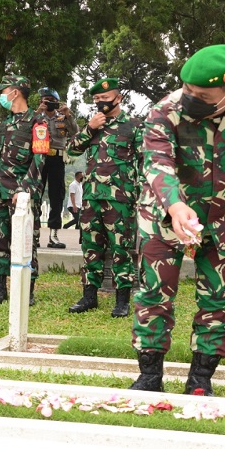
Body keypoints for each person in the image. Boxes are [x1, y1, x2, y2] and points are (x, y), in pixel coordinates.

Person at [128, 45, 225, 395]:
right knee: (154, 292)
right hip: (164, 217)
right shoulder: (164, 111)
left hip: (224, 219)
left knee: (217, 298)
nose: (191, 99)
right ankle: (150, 377)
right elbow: (157, 162)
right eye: (188, 90)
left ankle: (201, 380)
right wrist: (175, 205)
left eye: (203, 95)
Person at [67, 78, 143, 317]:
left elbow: (146, 161)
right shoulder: (93, 125)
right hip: (91, 197)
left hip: (120, 199)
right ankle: (89, 296)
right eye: (96, 99)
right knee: (91, 248)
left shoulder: (133, 125)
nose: (100, 103)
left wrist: (139, 192)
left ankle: (122, 301)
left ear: (118, 98)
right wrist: (89, 129)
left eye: (104, 98)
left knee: (121, 249)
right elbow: (71, 151)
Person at [0, 74, 41, 307]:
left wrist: (24, 188)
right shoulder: (6, 123)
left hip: (22, 194)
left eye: (4, 90)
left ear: (15, 92)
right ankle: (0, 288)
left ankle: (27, 290)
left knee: (26, 240)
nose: (2, 95)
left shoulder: (38, 122)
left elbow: (39, 159)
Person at [34, 87, 78, 249]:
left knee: (57, 197)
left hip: (57, 159)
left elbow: (75, 132)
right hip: (39, 159)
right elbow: (26, 130)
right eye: (45, 100)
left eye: (51, 101)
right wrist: (38, 113)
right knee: (35, 195)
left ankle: (54, 235)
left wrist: (68, 115)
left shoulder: (63, 117)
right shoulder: (36, 116)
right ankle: (34, 234)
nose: (48, 103)